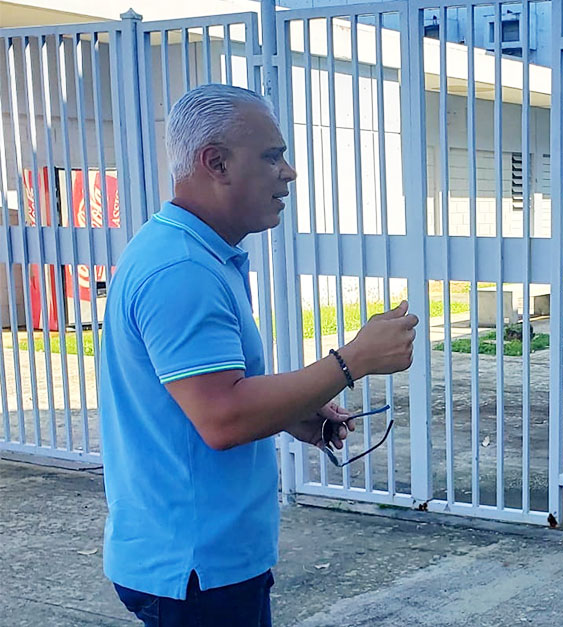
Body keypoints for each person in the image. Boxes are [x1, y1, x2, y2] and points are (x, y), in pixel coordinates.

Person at [99, 83, 419, 626]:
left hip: (192, 555)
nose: (288, 172)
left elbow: (207, 396)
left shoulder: (195, 252)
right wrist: (352, 360)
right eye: (272, 157)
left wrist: (293, 411)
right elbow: (222, 417)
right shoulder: (183, 269)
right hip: (196, 567)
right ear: (216, 162)